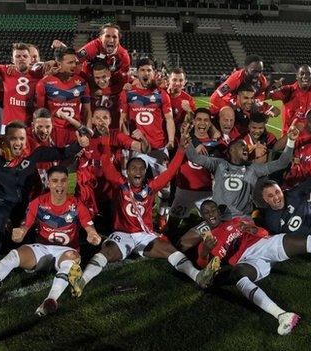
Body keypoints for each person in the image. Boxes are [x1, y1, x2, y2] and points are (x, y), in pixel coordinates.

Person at [194, 200, 311, 335]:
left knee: (309, 241)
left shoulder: (235, 222)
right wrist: (205, 252)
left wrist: (254, 230)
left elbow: (262, 232)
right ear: (202, 216)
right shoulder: (207, 240)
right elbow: (202, 266)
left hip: (263, 245)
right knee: (239, 278)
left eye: (213, 210)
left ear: (219, 211)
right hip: (246, 261)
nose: (211, 215)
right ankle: (282, 316)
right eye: (207, 213)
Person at [66, 132, 221, 297]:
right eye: (134, 168)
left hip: (144, 235)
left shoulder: (151, 187)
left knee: (170, 249)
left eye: (141, 168)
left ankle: (198, 277)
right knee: (105, 253)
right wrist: (105, 144)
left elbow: (171, 171)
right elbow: (106, 165)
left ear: (145, 172)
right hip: (123, 234)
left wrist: (182, 149)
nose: (138, 171)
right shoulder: (120, 185)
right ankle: (82, 281)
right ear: (128, 172)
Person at [0, 166, 100, 316]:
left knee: (71, 260)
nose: (59, 185)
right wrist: (19, 233)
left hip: (67, 251)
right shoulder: (38, 203)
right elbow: (24, 226)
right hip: (42, 248)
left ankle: (51, 300)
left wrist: (93, 236)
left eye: (63, 181)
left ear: (67, 182)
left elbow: (90, 228)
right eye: (54, 181)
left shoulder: (77, 205)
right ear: (48, 183)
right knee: (14, 255)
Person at [0, 120, 88, 267]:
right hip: (2, 200)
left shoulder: (33, 151)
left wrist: (79, 144)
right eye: (13, 138)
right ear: (5, 139)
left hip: (25, 201)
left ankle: (26, 255)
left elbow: (60, 153)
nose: (18, 143)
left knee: (30, 230)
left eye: (21, 138)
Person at [185, 123, 298, 219]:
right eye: (241, 146)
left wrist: (291, 141)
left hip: (241, 219)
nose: (246, 149)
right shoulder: (219, 164)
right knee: (189, 239)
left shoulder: (253, 169)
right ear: (231, 149)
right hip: (217, 218)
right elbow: (193, 157)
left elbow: (282, 162)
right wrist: (186, 138)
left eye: (246, 148)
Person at [119, 58, 175, 229]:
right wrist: (127, 142)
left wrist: (171, 140)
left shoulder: (161, 94)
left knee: (165, 189)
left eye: (149, 70)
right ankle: (138, 218)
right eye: (142, 70)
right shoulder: (127, 93)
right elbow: (123, 120)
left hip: (158, 148)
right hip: (137, 149)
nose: (145, 73)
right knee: (135, 186)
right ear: (137, 73)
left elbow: (169, 119)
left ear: (154, 73)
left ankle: (162, 217)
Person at [167, 108, 219, 235]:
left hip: (206, 192)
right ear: (194, 122)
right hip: (184, 190)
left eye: (206, 120)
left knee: (216, 225)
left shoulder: (216, 143)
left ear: (210, 123)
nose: (202, 123)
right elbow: (179, 127)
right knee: (171, 226)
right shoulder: (183, 138)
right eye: (199, 119)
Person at [35, 47, 91, 148]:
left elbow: (87, 111)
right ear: (59, 64)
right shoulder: (44, 83)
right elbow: (40, 113)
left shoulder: (82, 83)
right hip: (52, 132)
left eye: (75, 62)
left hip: (75, 131)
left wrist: (87, 134)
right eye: (70, 63)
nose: (74, 65)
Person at [52, 23, 130, 83]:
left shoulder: (124, 55)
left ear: (119, 39)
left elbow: (123, 77)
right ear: (100, 37)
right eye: (107, 36)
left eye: (114, 37)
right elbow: (75, 59)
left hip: (109, 82)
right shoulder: (93, 47)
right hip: (89, 79)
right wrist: (64, 48)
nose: (111, 40)